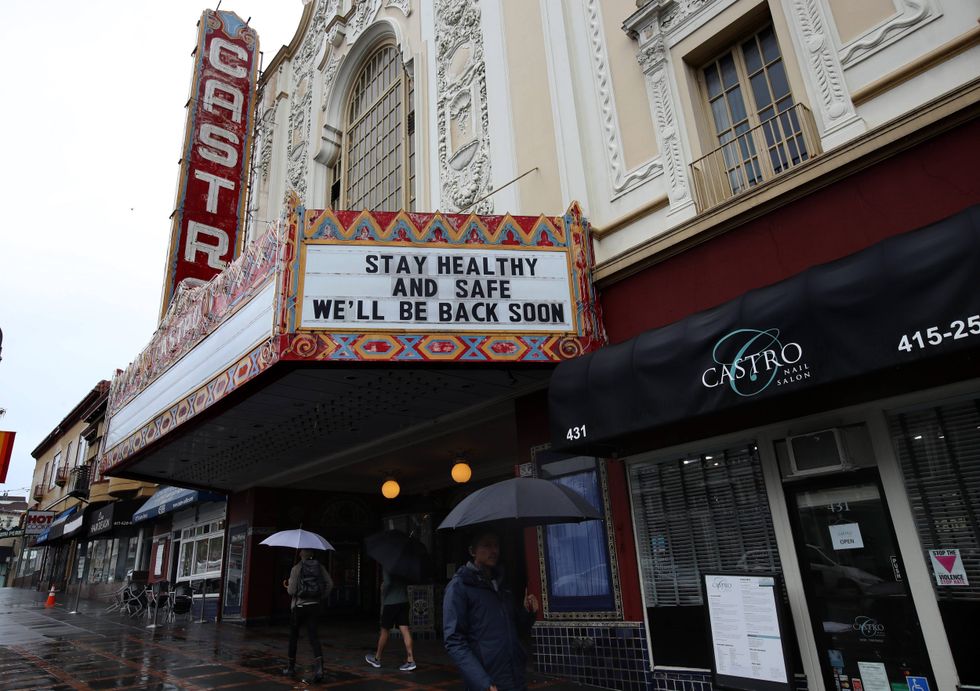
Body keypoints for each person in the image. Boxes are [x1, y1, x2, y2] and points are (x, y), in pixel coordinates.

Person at [443, 530, 539, 691]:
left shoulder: (501, 585)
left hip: (514, 676)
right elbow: (454, 641)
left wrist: (528, 612)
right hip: (488, 680)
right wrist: (482, 682)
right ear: (472, 551)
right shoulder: (460, 586)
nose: (493, 550)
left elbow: (516, 629)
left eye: (496, 545)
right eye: (487, 545)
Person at [282, 549, 333, 681]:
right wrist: (321, 596)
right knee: (313, 637)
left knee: (293, 636)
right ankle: (320, 669)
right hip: (314, 606)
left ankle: (291, 667)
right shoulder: (319, 567)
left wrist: (287, 585)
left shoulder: (296, 568)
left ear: (301, 554)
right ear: (312, 554)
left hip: (299, 607)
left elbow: (292, 590)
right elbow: (330, 584)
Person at [364, 569, 416, 671]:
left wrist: (383, 588)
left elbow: (387, 583)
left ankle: (377, 658)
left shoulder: (388, 566)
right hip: (404, 601)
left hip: (391, 603)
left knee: (384, 631)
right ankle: (411, 660)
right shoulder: (403, 566)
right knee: (405, 630)